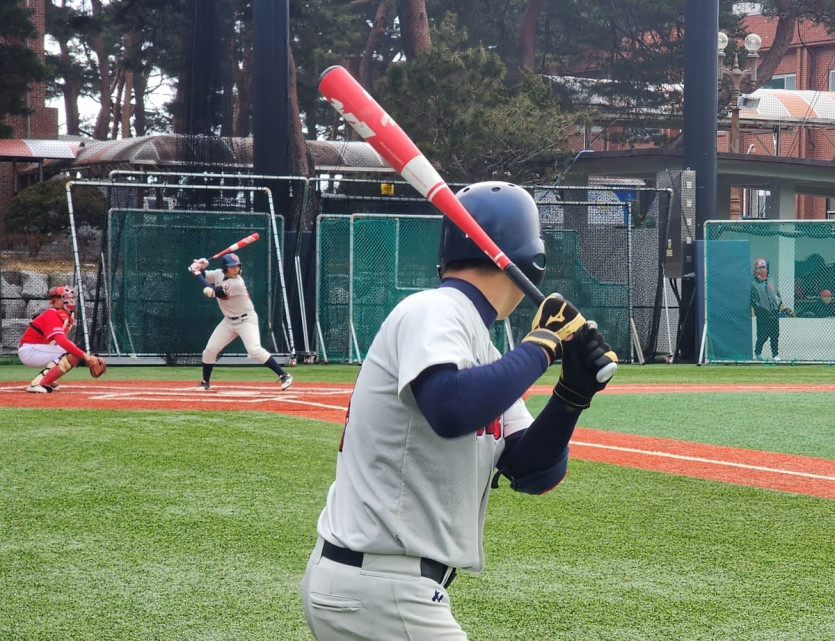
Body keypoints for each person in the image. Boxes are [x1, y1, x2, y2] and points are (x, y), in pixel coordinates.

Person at [300, 181, 617, 640]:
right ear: (533, 258)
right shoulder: (435, 310)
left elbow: (533, 471)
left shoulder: (481, 348)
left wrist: (571, 397)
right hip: (383, 587)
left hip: (380, 584)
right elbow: (449, 408)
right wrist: (543, 346)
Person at [188, 253, 292, 391]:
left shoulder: (236, 283)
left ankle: (284, 375)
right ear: (225, 268)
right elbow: (205, 276)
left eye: (237, 266)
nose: (236, 269)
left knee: (254, 350)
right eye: (232, 267)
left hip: (246, 320)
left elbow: (209, 291)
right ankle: (205, 382)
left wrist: (196, 272)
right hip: (229, 321)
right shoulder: (219, 274)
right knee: (209, 350)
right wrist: (200, 267)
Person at [17, 285, 95, 393]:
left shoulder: (64, 315)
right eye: (66, 298)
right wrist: (85, 356)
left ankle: (49, 379)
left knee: (71, 349)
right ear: (57, 300)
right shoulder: (52, 314)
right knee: (69, 352)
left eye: (71, 298)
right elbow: (61, 341)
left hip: (38, 348)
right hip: (29, 350)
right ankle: (38, 383)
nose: (70, 301)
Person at [750, 257, 782, 361]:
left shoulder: (771, 279)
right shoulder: (752, 282)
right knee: (762, 336)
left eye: (763, 267)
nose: (762, 270)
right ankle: (758, 352)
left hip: (774, 312)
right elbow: (753, 298)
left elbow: (777, 293)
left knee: (774, 335)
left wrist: (778, 303)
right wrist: (759, 308)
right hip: (763, 314)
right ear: (755, 269)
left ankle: (775, 355)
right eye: (759, 268)